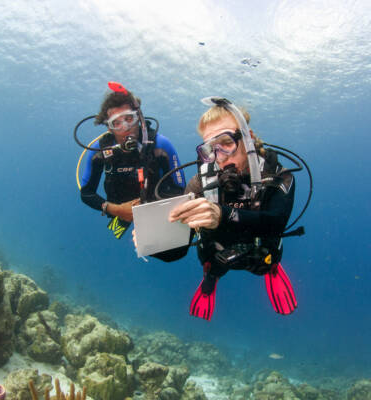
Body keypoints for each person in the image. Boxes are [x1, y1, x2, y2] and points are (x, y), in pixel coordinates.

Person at [150, 97, 299, 320]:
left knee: (267, 260)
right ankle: (210, 281)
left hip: (260, 255)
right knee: (212, 266)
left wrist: (223, 215)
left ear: (247, 138)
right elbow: (179, 248)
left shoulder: (278, 175)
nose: (219, 157)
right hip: (217, 255)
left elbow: (276, 223)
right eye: (210, 148)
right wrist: (154, 243)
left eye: (226, 142)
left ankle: (272, 271)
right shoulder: (200, 183)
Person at [79, 83, 186, 238]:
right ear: (109, 128)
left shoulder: (160, 145)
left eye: (129, 118)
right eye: (117, 123)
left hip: (155, 209)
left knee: (172, 253)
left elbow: (179, 189)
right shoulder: (100, 150)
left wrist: (146, 208)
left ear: (139, 118)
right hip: (118, 210)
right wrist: (115, 209)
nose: (126, 127)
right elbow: (86, 193)